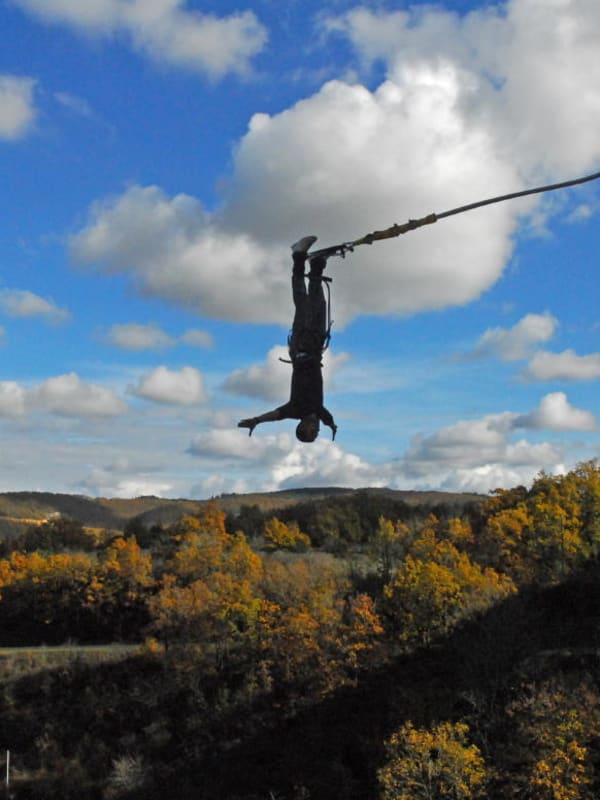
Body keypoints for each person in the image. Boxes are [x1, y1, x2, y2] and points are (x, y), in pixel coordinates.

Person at [238, 236, 337, 443]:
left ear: (302, 426)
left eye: (313, 431)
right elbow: (327, 417)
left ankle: (298, 256)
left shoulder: (296, 409)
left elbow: (275, 415)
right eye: (317, 432)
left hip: (302, 347)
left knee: (303, 302)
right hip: (315, 347)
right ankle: (317, 264)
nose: (317, 428)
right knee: (319, 306)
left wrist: (256, 420)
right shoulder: (318, 412)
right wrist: (332, 425)